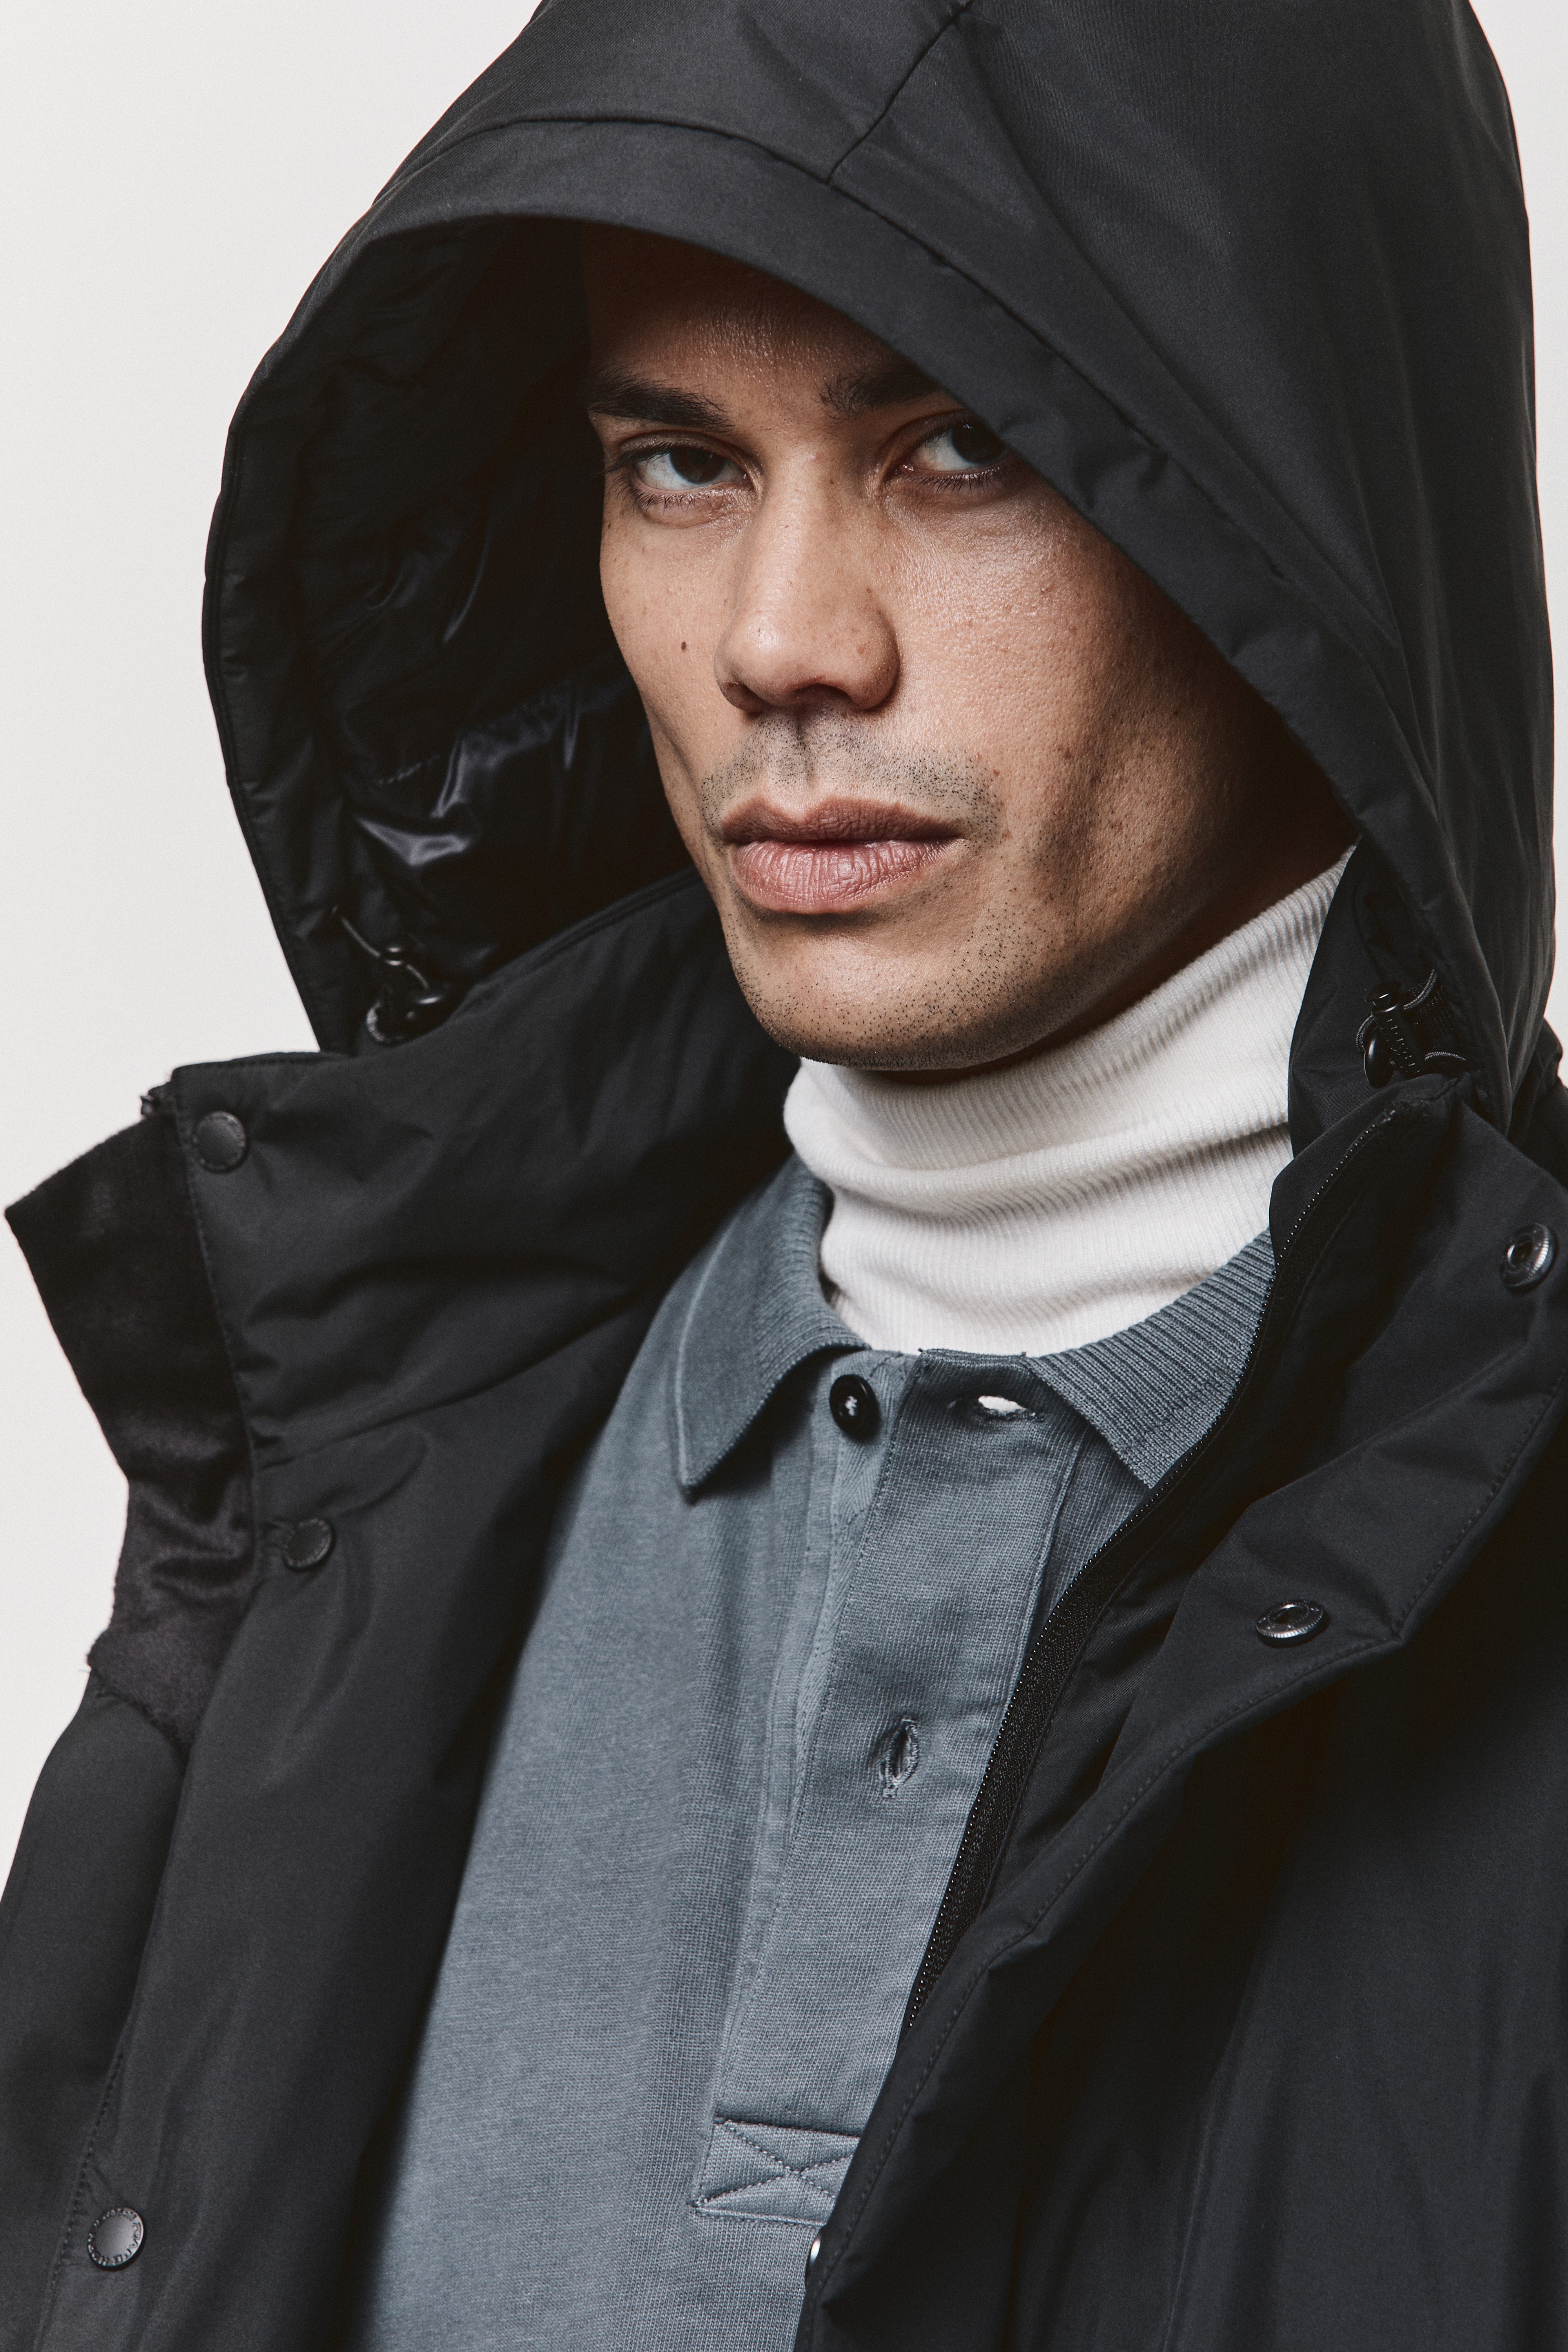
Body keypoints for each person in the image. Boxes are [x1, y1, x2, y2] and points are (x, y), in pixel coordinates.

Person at [1, 0, 1563, 2347]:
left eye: (964, 446)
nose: (776, 644)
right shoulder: (358, 1484)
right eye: (679, 465)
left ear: (1298, 506)